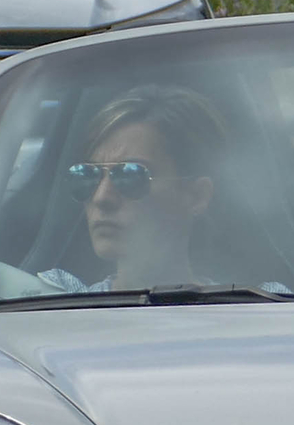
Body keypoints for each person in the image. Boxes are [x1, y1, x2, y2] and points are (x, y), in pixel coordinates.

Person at [38, 85, 226, 294]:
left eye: (130, 175)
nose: (101, 197)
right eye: (88, 175)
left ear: (196, 196)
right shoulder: (48, 303)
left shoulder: (260, 308)